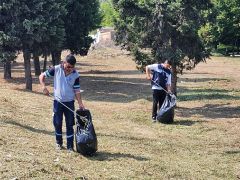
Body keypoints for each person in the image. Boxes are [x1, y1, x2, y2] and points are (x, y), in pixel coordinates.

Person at [39, 54, 85, 152]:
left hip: (69, 103)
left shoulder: (75, 74)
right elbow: (41, 76)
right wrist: (44, 87)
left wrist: (80, 103)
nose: (70, 69)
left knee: (69, 124)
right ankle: (59, 143)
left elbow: (77, 90)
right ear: (64, 63)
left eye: (72, 67)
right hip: (58, 102)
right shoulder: (56, 69)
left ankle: (70, 147)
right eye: (68, 66)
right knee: (57, 123)